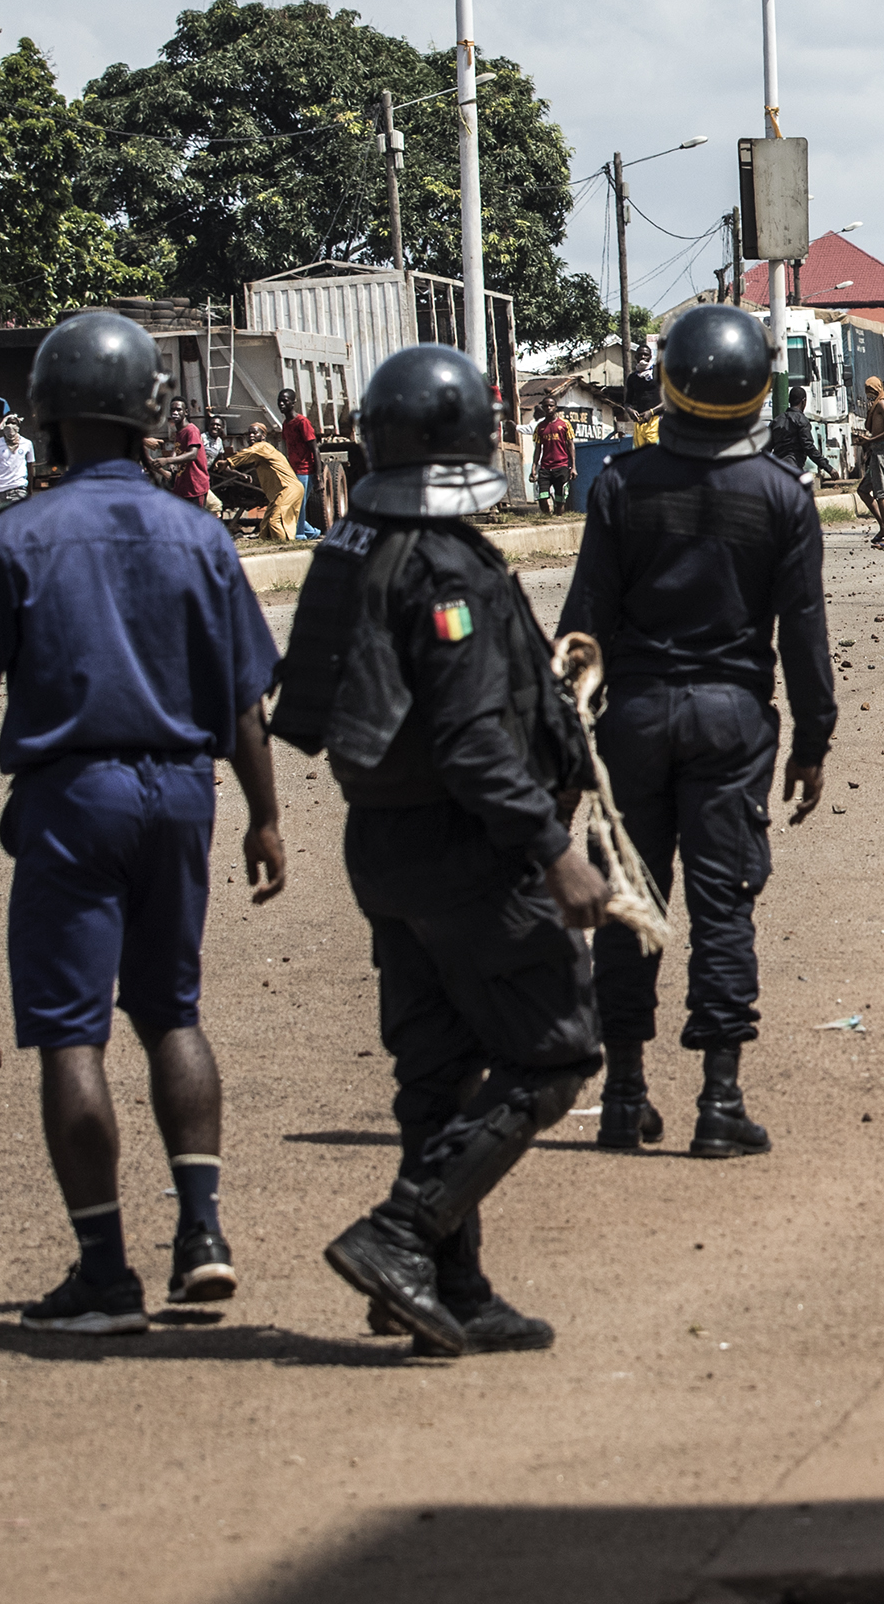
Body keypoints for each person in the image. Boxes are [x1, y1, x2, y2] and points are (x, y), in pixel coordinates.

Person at [0, 310, 287, 1334]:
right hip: (180, 793)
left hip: (72, 802)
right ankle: (202, 1235)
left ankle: (105, 1270)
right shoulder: (200, 535)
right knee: (172, 1015)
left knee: (72, 1034)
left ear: (50, 420)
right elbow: (243, 702)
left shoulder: (14, 537)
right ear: (150, 418)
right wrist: (265, 817)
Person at [272, 345, 601, 1356]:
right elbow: (469, 742)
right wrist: (553, 850)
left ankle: (449, 1289)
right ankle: (404, 1233)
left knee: (438, 1073)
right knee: (555, 1052)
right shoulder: (444, 567)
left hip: (386, 846)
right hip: (470, 855)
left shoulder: (354, 549)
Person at [557, 305, 835, 1160]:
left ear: (669, 384)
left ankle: (624, 1099)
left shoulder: (620, 487)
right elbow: (805, 635)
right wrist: (813, 742)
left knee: (629, 902)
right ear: (759, 391)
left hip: (633, 721)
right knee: (724, 906)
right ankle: (719, 1102)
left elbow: (581, 633)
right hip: (731, 723)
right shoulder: (783, 497)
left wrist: (565, 752)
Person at [226, 422, 305, 544]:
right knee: (266, 524)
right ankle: (268, 544)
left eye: (255, 433)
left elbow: (249, 453)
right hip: (282, 491)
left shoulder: (262, 447)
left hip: (289, 489)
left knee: (275, 520)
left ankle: (284, 546)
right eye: (249, 433)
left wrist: (228, 462)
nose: (251, 436)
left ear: (263, 436)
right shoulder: (261, 451)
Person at [853, 377, 884, 551]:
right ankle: (883, 526)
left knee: (881, 494)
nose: (868, 395)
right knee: (863, 490)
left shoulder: (882, 404)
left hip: (882, 452)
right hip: (875, 452)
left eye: (870, 390)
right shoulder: (874, 406)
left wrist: (870, 439)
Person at [275, 386, 323, 530]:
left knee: (299, 504)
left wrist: (318, 474)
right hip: (293, 470)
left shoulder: (302, 422)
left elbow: (314, 448)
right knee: (295, 504)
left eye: (285, 401)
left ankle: (300, 534)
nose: (281, 404)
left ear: (293, 403)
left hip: (305, 471)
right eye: (279, 401)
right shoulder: (286, 424)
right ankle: (311, 532)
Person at [0, 413, 36, 521]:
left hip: (18, 488)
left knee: (18, 519)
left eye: (14, 424)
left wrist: (30, 489)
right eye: (9, 423)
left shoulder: (26, 444)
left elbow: (31, 467)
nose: (11, 427)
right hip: (1, 490)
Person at [533, 403, 576, 515]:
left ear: (556, 407)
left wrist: (573, 467)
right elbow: (537, 449)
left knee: (560, 499)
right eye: (546, 406)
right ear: (543, 408)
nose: (548, 408)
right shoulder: (540, 427)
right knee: (542, 496)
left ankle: (558, 519)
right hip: (545, 467)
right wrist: (533, 468)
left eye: (551, 405)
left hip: (561, 466)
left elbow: (570, 445)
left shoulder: (565, 424)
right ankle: (547, 518)